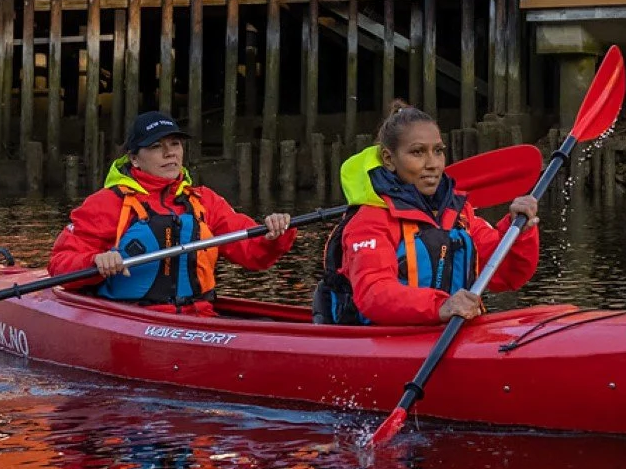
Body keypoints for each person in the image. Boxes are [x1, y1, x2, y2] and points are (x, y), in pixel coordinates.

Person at [49, 111, 295, 313]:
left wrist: (276, 232)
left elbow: (254, 253)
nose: (170, 153)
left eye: (175, 144)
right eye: (156, 146)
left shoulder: (204, 201)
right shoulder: (107, 204)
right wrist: (95, 261)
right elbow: (59, 264)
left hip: (200, 316)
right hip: (133, 317)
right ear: (134, 159)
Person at [316, 106, 539, 327]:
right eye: (418, 152)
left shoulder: (459, 214)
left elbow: (507, 274)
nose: (432, 164)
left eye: (438, 151)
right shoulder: (370, 220)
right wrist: (440, 307)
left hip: (451, 331)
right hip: (383, 340)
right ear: (389, 159)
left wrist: (518, 230)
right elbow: (374, 293)